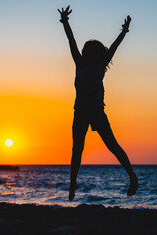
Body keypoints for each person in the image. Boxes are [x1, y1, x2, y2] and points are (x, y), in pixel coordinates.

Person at [58, 6, 139, 201]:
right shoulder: (79, 63)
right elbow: (71, 40)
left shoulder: (100, 66)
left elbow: (114, 47)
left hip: (96, 112)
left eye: (95, 51)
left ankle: (132, 177)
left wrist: (124, 31)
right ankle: (72, 185)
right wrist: (66, 22)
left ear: (99, 55)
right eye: (88, 50)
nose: (90, 53)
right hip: (80, 112)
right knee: (77, 148)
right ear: (84, 52)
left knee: (112, 145)